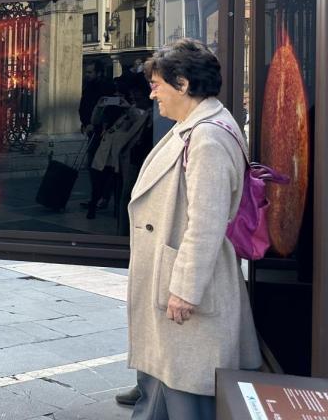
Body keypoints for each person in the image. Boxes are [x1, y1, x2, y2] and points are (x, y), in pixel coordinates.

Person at [125, 39, 261, 418]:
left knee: (188, 392)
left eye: (157, 85)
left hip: (186, 290)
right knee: (166, 382)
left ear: (183, 84)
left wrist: (185, 289)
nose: (153, 95)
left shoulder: (208, 136)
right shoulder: (196, 124)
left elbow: (206, 221)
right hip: (172, 282)